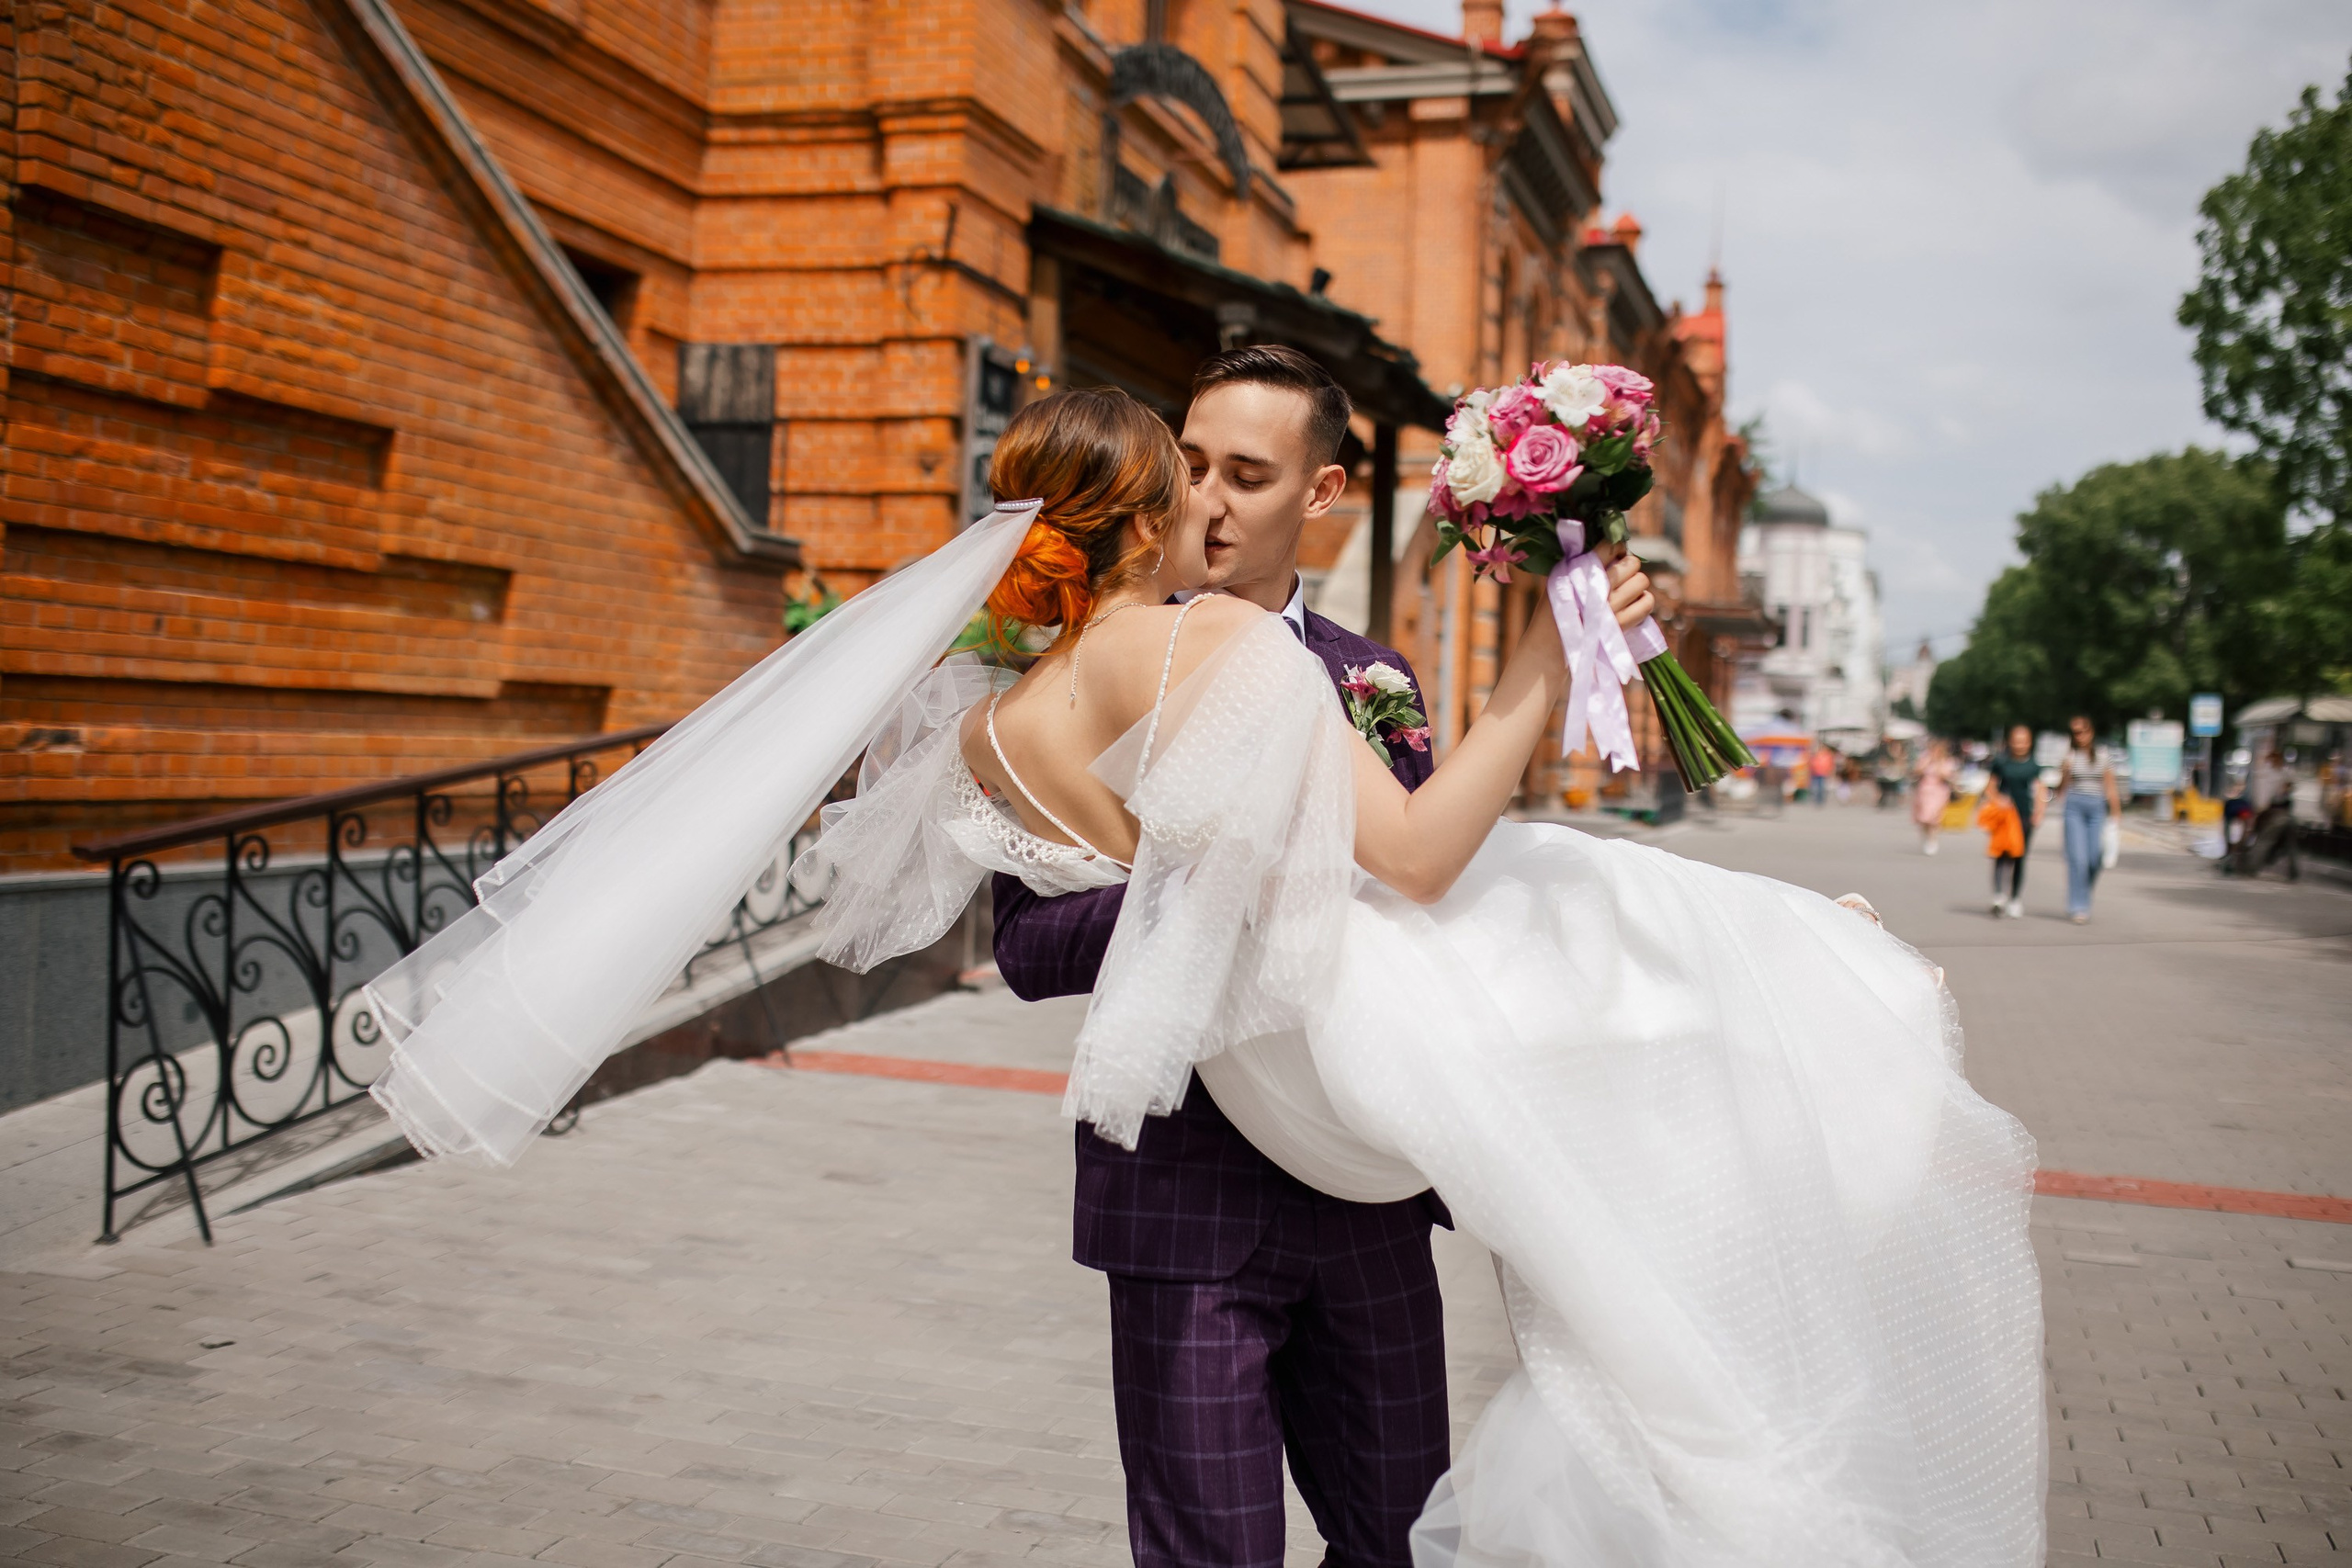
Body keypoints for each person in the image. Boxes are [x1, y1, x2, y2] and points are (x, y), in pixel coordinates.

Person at [366, 377, 2046, 1568]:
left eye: (1253, 472)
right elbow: (1044, 943)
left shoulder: (1184, 692)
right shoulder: (1210, 650)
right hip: (1184, 1186)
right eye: (1199, 473)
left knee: (1395, 1528)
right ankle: (1806, 1000)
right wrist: (1219, 873)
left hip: (1359, 1187)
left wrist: (1242, 873)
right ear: (1156, 505)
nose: (1221, 502)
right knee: (1204, 1541)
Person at [2057, 716, 2121, 923]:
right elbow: (2062, 788)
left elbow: (2110, 786)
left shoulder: (2103, 756)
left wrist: (2116, 813)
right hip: (2074, 806)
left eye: (2082, 731)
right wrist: (2064, 771)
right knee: (2077, 859)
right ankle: (2078, 906)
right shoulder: (2070, 756)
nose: (2079, 736)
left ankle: (2083, 891)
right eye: (2075, 732)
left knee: (2095, 858)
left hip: (2096, 807)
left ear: (2091, 732)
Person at [1984, 724, 2045, 917]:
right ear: (2010, 741)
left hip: (2024, 817)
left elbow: (2040, 790)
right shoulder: (2001, 762)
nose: (2020, 745)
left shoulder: (2033, 765)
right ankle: (1998, 896)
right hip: (2003, 818)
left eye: (2024, 741)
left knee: (2019, 857)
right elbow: (1990, 787)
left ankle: (2015, 898)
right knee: (2001, 855)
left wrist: (2039, 812)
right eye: (2017, 740)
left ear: (2029, 743)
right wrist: (1998, 799)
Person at [1911, 738, 1954, 854]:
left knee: (1934, 817)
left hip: (1939, 791)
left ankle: (1932, 839)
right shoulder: (1925, 759)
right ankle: (1926, 837)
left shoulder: (1947, 761)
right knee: (1923, 817)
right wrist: (1927, 763)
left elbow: (1946, 776)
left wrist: (1939, 764)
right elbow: (1916, 772)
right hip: (1924, 791)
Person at [1807, 739, 1836, 806]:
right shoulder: (1816, 754)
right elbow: (1811, 763)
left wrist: (1830, 772)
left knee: (1821, 788)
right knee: (1815, 788)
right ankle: (1817, 800)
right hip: (1815, 773)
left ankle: (1820, 800)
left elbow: (1830, 764)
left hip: (1822, 773)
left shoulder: (1827, 755)